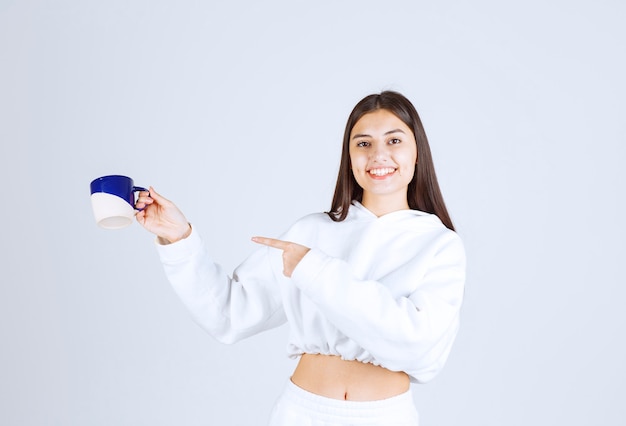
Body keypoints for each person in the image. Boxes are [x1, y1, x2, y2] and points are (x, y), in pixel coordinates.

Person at [135, 91, 466, 425]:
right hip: (302, 412)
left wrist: (315, 271)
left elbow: (415, 345)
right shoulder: (311, 233)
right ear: (349, 158)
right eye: (363, 144)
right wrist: (179, 238)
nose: (379, 155)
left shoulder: (439, 245)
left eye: (394, 140)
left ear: (418, 153)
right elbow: (228, 314)